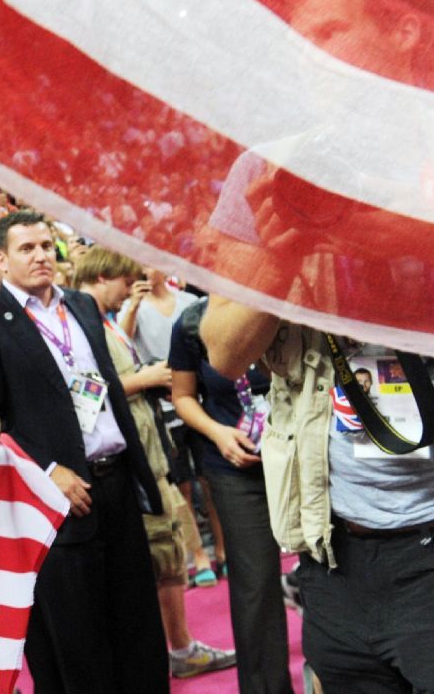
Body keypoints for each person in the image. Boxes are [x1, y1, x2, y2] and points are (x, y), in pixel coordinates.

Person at [0, 210, 167, 694]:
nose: (40, 256)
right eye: (27, 249)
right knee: (80, 644)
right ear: (2, 259)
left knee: (137, 629)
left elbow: (107, 389)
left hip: (116, 483)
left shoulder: (82, 306)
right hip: (55, 503)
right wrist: (45, 471)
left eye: (47, 246)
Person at [204, 294, 434, 693]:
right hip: (330, 547)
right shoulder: (276, 235)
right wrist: (293, 252)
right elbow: (225, 354)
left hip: (433, 535)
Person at [73, 248, 236, 679]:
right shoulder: (78, 324)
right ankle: (176, 650)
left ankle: (176, 648)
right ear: (104, 276)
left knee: (168, 553)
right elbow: (81, 398)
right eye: (126, 281)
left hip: (148, 454)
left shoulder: (101, 321)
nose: (129, 290)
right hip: (127, 464)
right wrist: (142, 380)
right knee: (159, 559)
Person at [170, 297, 291, 694]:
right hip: (236, 470)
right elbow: (183, 396)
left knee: (328, 572)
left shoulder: (288, 307)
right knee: (255, 584)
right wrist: (218, 433)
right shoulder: (191, 322)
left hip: (300, 463)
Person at [122, 266, 224, 585]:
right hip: (160, 405)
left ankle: (224, 550)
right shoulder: (129, 308)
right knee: (181, 486)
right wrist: (133, 305)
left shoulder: (188, 301)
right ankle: (198, 555)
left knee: (210, 480)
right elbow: (122, 341)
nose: (145, 269)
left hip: (197, 399)